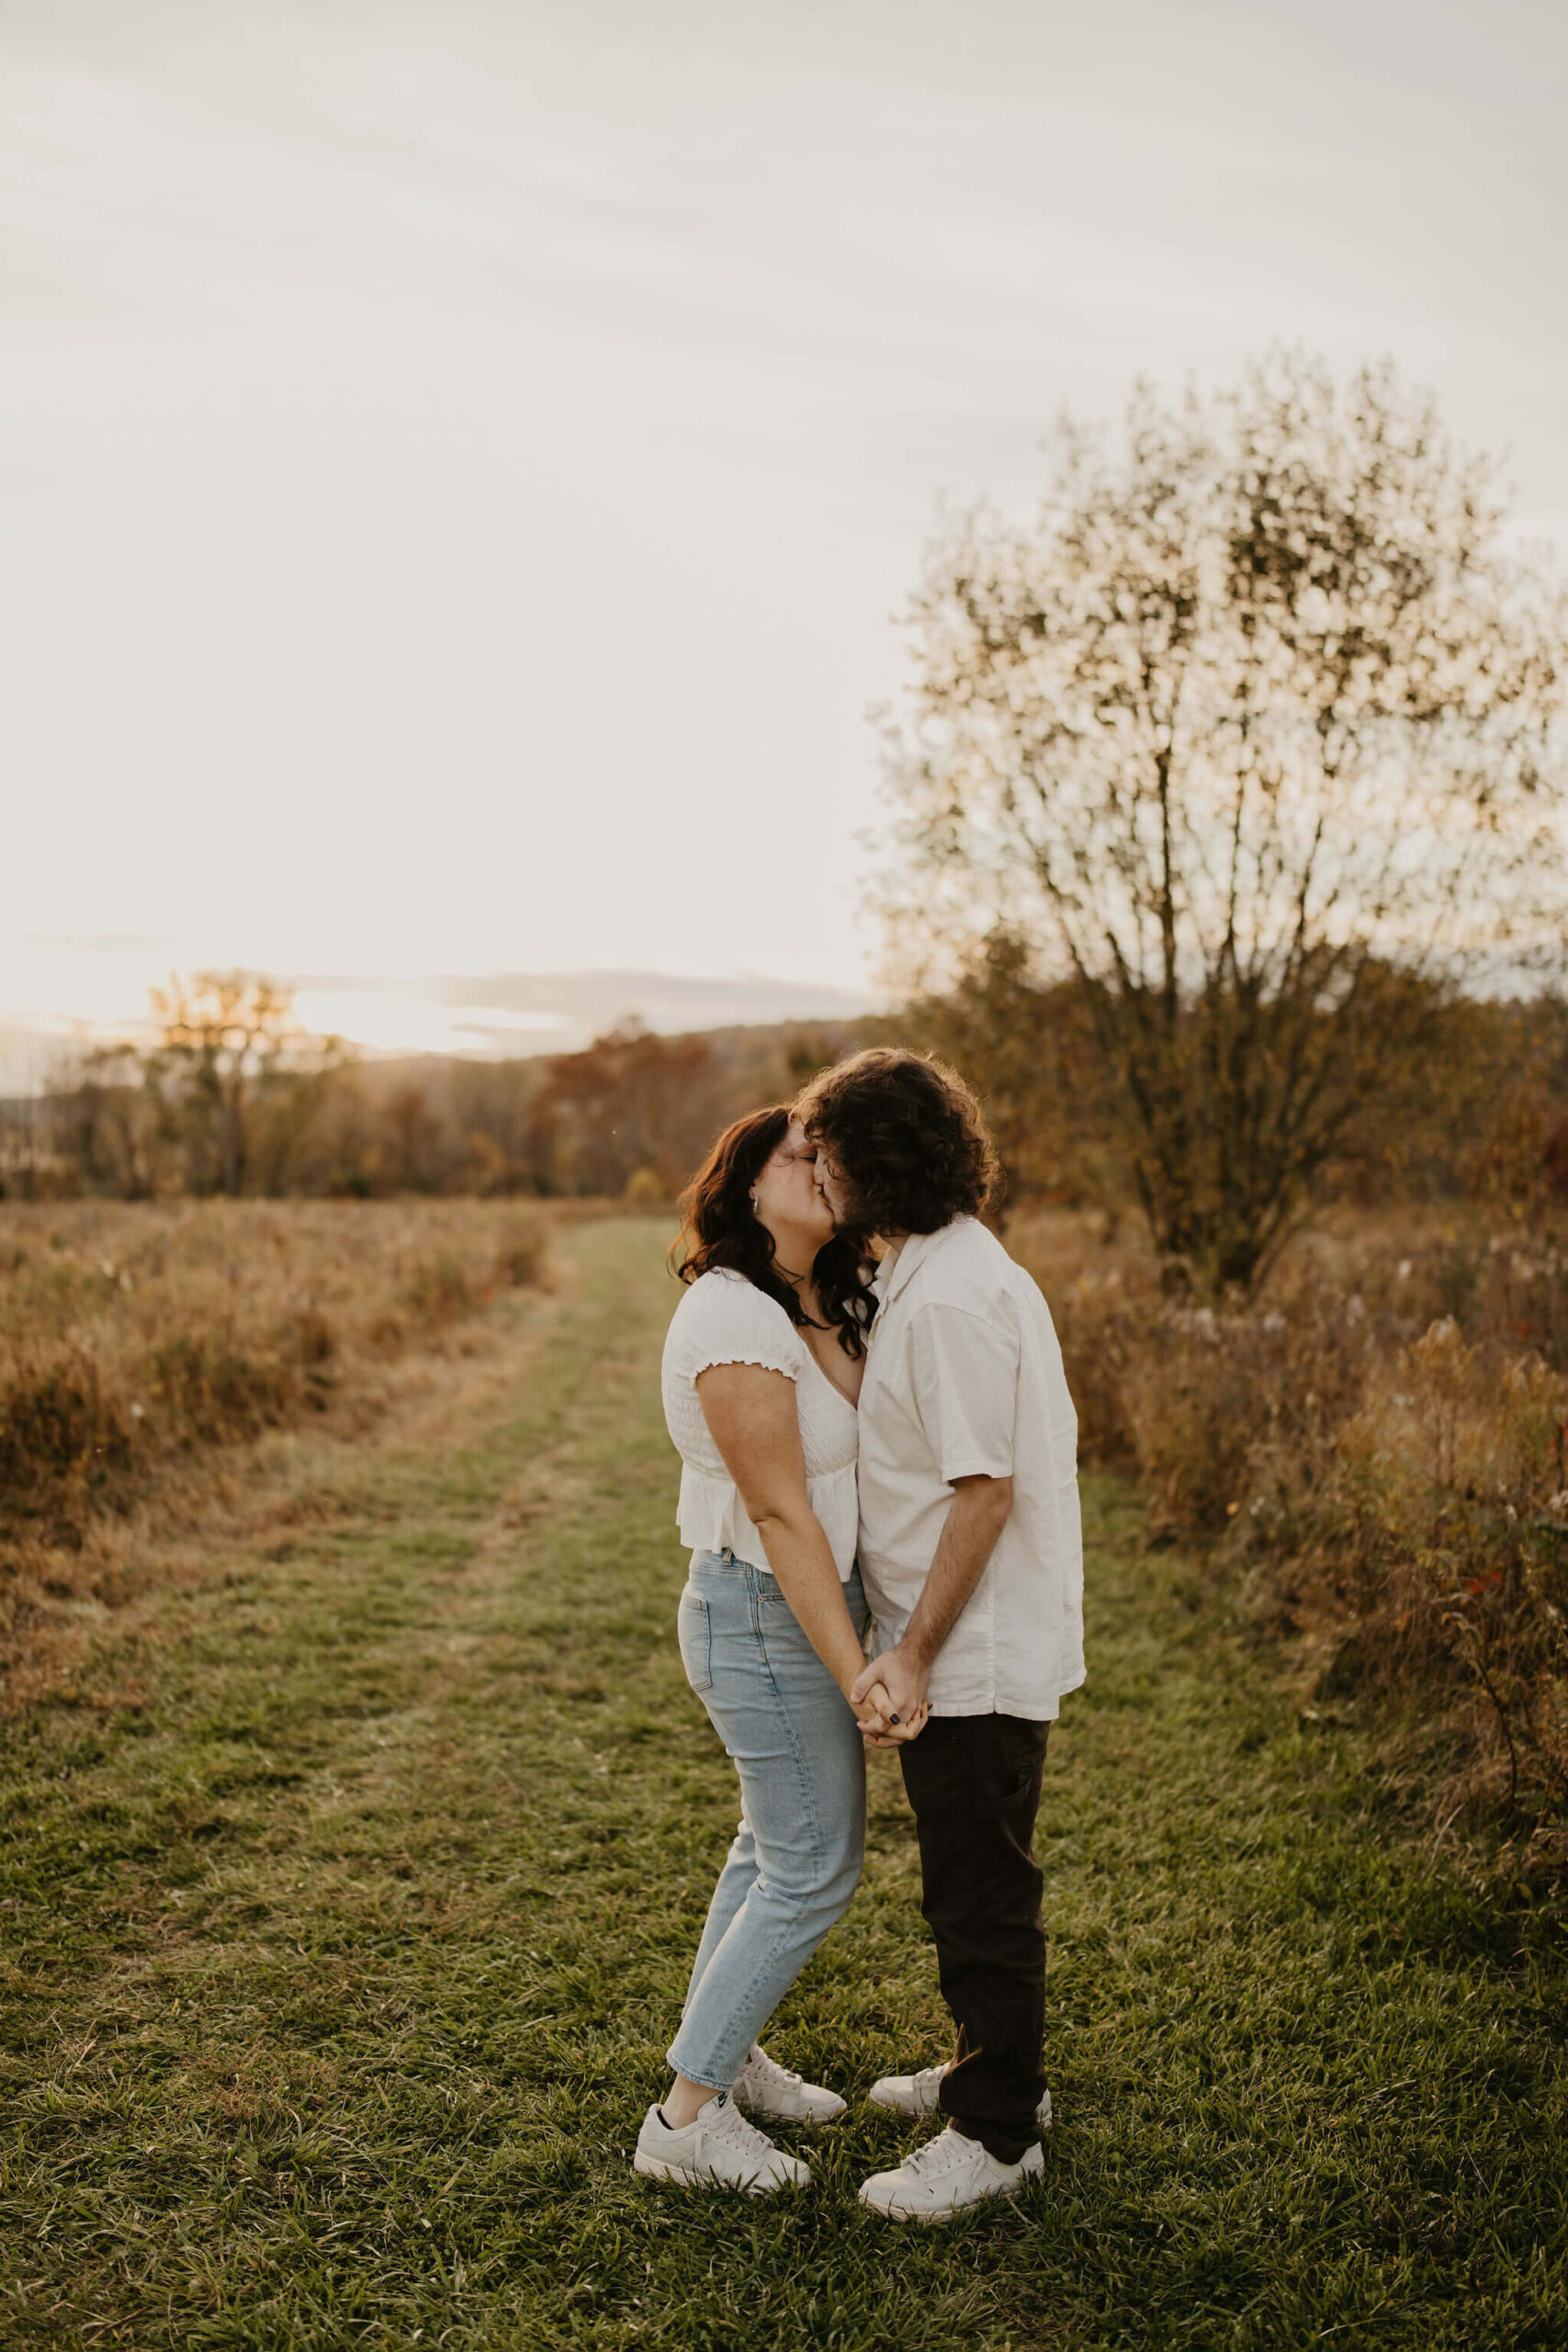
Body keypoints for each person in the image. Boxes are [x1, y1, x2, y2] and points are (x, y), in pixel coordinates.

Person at [796, 1048, 1084, 2222]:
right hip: (954, 1646)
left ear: (879, 1160)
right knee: (970, 1876)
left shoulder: (960, 1295)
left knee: (978, 1894)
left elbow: (983, 1492)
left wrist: (909, 1650)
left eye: (825, 1154)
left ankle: (999, 2132)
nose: (815, 1172)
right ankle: (992, 2069)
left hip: (971, 1649)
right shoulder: (927, 1269)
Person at [635, 1105, 929, 2197]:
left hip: (796, 1604)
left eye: (828, 1154)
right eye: (796, 1152)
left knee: (770, 1847)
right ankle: (684, 2120)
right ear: (744, 1184)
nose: (820, 1165)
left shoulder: (819, 1296)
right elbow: (782, 1515)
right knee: (813, 1866)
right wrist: (859, 1665)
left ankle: (729, 2055)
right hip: (762, 1612)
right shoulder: (729, 1316)